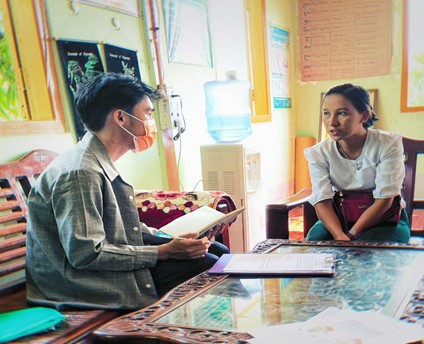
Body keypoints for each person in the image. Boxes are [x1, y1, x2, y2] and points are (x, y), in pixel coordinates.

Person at [26, 72, 229, 311]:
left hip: (93, 267)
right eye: (148, 113)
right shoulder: (81, 172)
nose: (151, 121)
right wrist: (163, 252)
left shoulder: (96, 159)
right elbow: (86, 255)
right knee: (207, 264)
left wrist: (169, 240)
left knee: (217, 250)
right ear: (121, 118)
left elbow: (121, 227)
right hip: (77, 283)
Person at [304, 83, 410, 243]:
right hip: (340, 215)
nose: (331, 122)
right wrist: (340, 236)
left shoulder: (387, 143)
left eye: (342, 113)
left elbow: (385, 200)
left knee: (368, 246)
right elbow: (322, 201)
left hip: (384, 217)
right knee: (316, 241)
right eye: (326, 113)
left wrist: (352, 235)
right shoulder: (318, 153)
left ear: (365, 115)